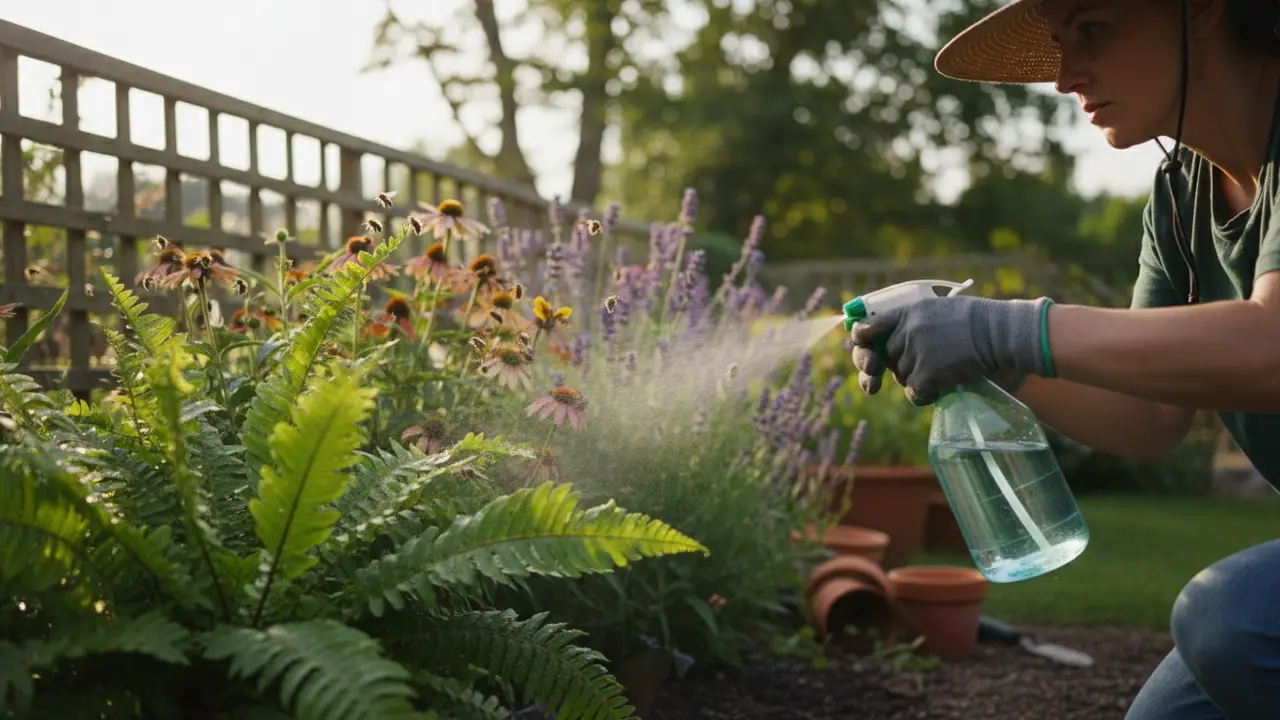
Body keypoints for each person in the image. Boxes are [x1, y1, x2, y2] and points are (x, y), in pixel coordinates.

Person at [848, 0, 1280, 717]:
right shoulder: (1181, 196)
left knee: (1227, 621)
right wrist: (981, 354)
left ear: (1199, 9)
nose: (1064, 76)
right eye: (1057, 43)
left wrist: (1002, 330)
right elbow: (1149, 420)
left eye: (1092, 31)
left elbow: (1271, 350)